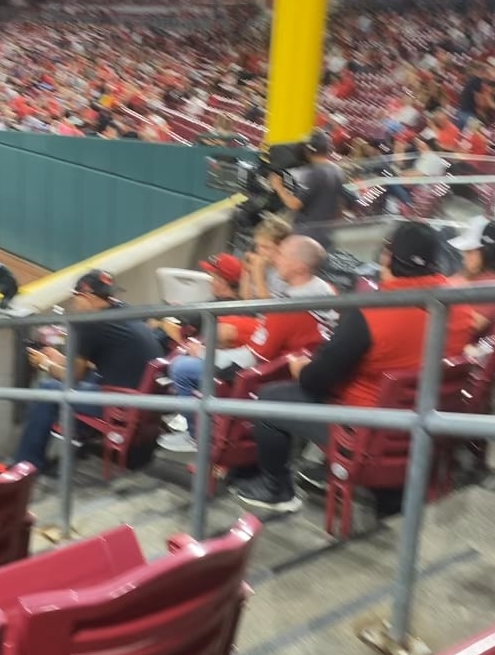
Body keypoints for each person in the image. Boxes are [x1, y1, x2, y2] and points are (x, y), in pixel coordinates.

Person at [233, 222, 476, 512]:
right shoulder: (462, 306)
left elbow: (315, 380)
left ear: (387, 257)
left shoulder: (371, 313)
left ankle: (276, 488)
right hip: (423, 427)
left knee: (270, 398)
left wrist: (301, 368)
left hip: (367, 432)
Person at [158, 237, 336, 455]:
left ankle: (197, 437)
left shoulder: (286, 309)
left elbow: (249, 359)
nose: (275, 259)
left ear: (299, 266)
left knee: (181, 367)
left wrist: (203, 353)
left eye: (282, 255)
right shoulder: (328, 293)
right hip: (293, 373)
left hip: (264, 380)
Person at [1, 270, 163, 472]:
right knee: (89, 378)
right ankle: (80, 432)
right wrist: (60, 359)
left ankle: (25, 464)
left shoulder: (89, 323)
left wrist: (45, 364)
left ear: (85, 296)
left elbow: (72, 377)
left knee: (47, 390)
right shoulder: (124, 311)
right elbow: (99, 362)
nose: (74, 301)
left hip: (122, 405)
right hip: (142, 400)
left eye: (75, 296)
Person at [269, 130, 350, 248]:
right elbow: (340, 206)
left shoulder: (312, 172)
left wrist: (278, 186)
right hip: (327, 234)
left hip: (306, 235)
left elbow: (294, 204)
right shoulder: (338, 170)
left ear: (307, 150)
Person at [448, 217, 495, 332]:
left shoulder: (491, 282)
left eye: (469, 251)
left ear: (488, 252)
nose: (464, 256)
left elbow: (473, 325)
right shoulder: (477, 271)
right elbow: (450, 282)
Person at [239, 215, 291, 301]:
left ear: (282, 246)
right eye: (257, 245)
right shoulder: (264, 265)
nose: (259, 251)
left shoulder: (287, 271)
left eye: (265, 247)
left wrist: (258, 272)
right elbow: (245, 299)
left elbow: (268, 306)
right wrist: (247, 271)